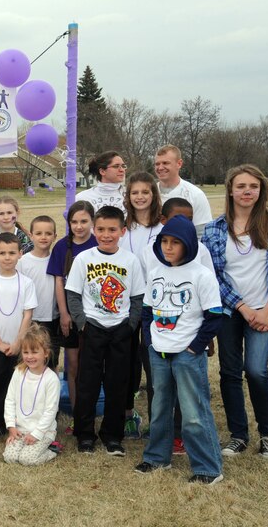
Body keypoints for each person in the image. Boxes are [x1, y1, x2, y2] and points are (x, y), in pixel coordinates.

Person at [202, 164, 268, 459]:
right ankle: (238, 435)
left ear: (261, 190)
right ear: (230, 190)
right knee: (229, 372)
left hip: (265, 311)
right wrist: (242, 307)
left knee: (256, 370)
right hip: (229, 311)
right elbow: (212, 276)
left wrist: (267, 310)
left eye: (253, 186)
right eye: (241, 186)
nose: (247, 191)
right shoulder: (215, 229)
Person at [135, 215, 224, 484]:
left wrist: (195, 347)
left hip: (188, 355)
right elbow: (147, 310)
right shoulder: (156, 272)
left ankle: (208, 468)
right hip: (159, 352)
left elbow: (215, 316)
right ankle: (156, 458)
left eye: (175, 242)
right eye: (165, 241)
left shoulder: (201, 275)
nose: (168, 247)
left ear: (188, 244)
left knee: (194, 413)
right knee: (160, 408)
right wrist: (150, 341)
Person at [65, 206, 145, 456]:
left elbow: (137, 297)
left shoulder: (130, 260)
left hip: (120, 330)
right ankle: (85, 434)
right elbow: (73, 294)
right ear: (93, 230)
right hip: (93, 329)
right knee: (87, 383)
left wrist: (130, 325)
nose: (106, 235)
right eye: (100, 229)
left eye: (112, 229)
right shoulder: (84, 259)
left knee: (117, 384)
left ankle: (112, 435)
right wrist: (82, 323)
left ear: (122, 231)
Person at [0, 233, 38, 439]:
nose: (7, 257)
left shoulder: (26, 283)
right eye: (2, 253)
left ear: (20, 254)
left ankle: (19, 422)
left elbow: (27, 314)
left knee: (19, 385)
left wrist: (18, 342)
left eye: (12, 253)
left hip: (20, 346)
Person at [120, 172, 164, 439]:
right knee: (126, 362)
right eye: (134, 192)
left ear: (153, 195)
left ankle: (157, 421)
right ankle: (127, 415)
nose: (139, 197)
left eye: (145, 192)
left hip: (154, 304)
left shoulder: (162, 228)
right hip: (124, 303)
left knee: (152, 363)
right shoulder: (123, 227)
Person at [47, 200, 96, 431]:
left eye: (84, 221)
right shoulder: (62, 247)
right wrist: (64, 313)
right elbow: (59, 281)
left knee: (91, 367)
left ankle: (90, 410)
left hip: (95, 316)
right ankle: (78, 415)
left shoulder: (98, 243)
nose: (79, 226)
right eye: (74, 221)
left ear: (92, 221)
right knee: (74, 367)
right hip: (70, 316)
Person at [3, 324, 60, 466]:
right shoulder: (18, 372)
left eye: (34, 352)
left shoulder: (51, 379)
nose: (29, 357)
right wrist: (11, 427)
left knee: (26, 459)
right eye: (26, 352)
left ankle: (52, 449)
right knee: (10, 457)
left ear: (46, 353)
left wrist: (37, 434)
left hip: (43, 431)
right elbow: (10, 400)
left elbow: (51, 411)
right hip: (20, 429)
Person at [16, 216, 59, 370]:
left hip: (52, 318)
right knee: (29, 360)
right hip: (29, 319)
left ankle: (52, 386)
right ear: (31, 235)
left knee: (51, 361)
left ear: (55, 236)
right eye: (39, 233)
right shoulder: (22, 262)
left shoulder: (57, 260)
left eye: (48, 233)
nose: (43, 237)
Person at [155, 144, 213, 237]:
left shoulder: (195, 195)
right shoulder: (148, 194)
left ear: (179, 164)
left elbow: (202, 234)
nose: (160, 167)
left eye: (165, 163)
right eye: (157, 164)